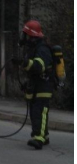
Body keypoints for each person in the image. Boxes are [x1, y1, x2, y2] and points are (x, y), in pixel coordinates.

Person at [20, 20, 57, 149]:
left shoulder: (42, 49)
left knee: (40, 112)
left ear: (31, 36)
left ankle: (39, 138)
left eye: (26, 35)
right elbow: (31, 69)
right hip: (36, 84)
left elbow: (39, 66)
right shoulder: (32, 48)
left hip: (44, 85)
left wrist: (25, 63)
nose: (24, 38)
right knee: (34, 111)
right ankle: (44, 135)